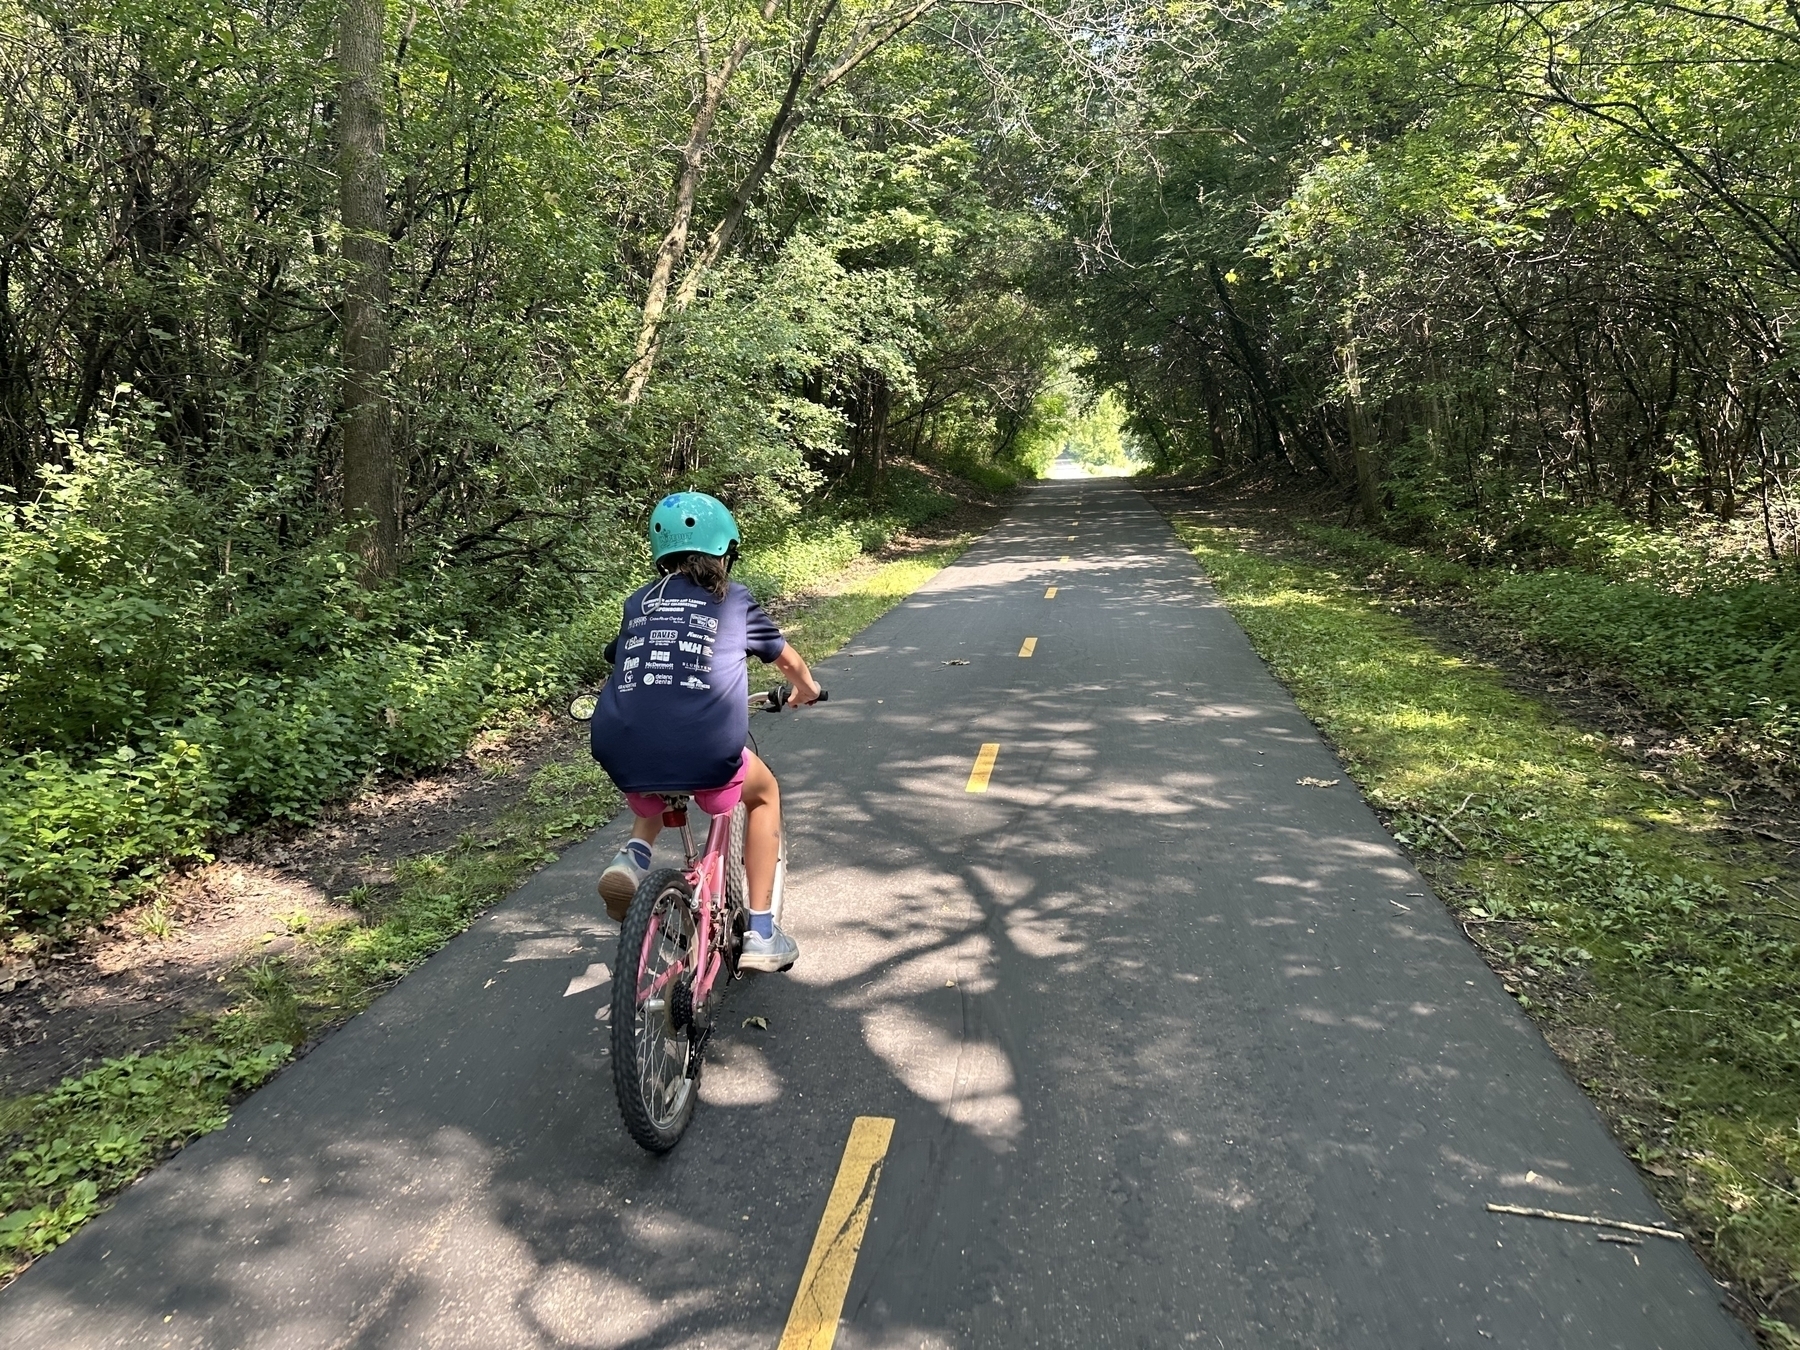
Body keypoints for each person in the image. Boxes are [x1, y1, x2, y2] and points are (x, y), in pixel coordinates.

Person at [587, 491, 822, 972]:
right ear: (724, 552)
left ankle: (633, 857)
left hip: (618, 745)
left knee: (659, 765)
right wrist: (808, 689)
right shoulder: (733, 600)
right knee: (763, 793)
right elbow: (788, 661)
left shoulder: (639, 602)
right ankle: (760, 932)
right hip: (704, 748)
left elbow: (621, 655)